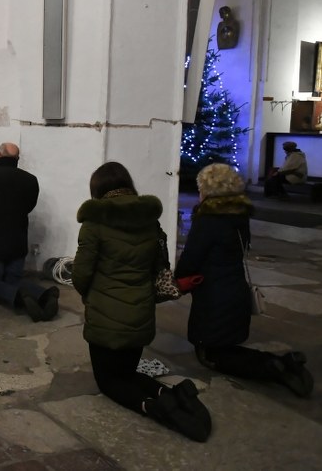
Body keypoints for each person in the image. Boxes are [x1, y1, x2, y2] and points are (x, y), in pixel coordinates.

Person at [73, 162, 211, 442]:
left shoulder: (95, 220)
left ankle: (156, 408)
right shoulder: (150, 219)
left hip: (105, 315)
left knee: (109, 382)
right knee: (126, 372)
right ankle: (172, 393)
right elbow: (156, 267)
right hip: (141, 311)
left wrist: (91, 294)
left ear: (97, 188)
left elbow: (81, 274)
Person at [176, 163, 313, 397]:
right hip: (235, 289)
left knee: (210, 356)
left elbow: (192, 256)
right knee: (223, 346)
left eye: (201, 188)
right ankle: (281, 363)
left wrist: (178, 280)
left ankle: (275, 366)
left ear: (210, 190)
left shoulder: (208, 218)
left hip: (213, 294)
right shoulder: (239, 215)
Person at [0, 142, 59, 320]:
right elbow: (28, 206)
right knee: (14, 280)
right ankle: (44, 294)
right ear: (17, 159)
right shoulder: (30, 180)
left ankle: (20, 297)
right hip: (18, 240)